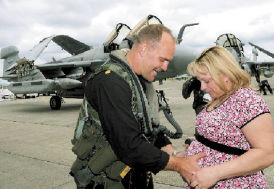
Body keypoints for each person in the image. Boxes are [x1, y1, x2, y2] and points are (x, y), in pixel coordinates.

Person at [70, 24, 205, 188]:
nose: (165, 67)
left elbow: (148, 127)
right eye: (162, 60)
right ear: (143, 49)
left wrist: (172, 151)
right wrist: (178, 164)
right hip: (106, 180)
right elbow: (129, 145)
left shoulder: (138, 81)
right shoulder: (110, 82)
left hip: (137, 173)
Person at [185, 46, 274, 188]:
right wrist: (201, 142)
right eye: (200, 81)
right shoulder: (220, 96)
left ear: (226, 74)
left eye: (207, 81)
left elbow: (266, 154)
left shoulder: (246, 100)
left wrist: (215, 173)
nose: (202, 87)